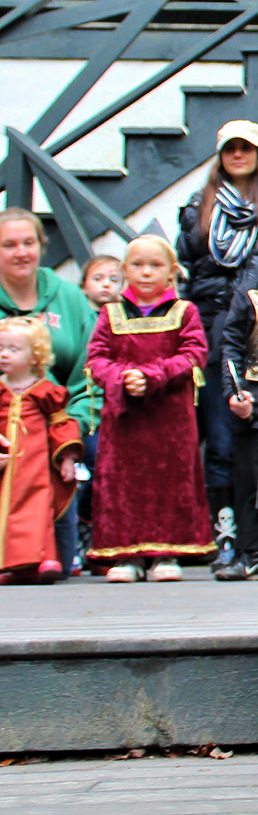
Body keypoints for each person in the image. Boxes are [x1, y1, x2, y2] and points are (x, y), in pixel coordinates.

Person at [177, 120, 258, 573]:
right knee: (222, 436)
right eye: (230, 149)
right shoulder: (199, 207)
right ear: (219, 155)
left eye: (247, 148)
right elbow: (188, 263)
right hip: (213, 322)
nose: (239, 155)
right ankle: (229, 535)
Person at [84, 235, 211, 582]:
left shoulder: (185, 311)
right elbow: (96, 359)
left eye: (155, 266)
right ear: (125, 270)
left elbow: (194, 354)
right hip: (124, 418)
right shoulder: (110, 314)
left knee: (170, 480)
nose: (145, 273)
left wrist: (153, 376)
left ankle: (166, 553)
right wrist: (123, 378)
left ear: (171, 272)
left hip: (170, 418)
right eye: (137, 265)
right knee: (123, 483)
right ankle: (127, 555)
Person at [0, 209, 100, 577]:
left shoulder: (69, 298)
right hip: (3, 417)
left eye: (28, 243)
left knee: (85, 450)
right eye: (8, 245)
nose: (20, 252)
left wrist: (76, 421)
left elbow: (89, 370)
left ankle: (81, 548)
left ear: (42, 246)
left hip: (63, 413)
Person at [216, 207, 258, 580]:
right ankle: (251, 551)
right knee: (251, 472)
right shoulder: (251, 284)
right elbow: (232, 341)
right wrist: (232, 392)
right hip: (255, 389)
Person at [0, 317, 82, 583]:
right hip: (5, 464)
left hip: (36, 466)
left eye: (13, 349)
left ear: (35, 355)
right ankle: (12, 563)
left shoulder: (45, 391)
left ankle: (46, 557)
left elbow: (62, 424)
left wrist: (67, 457)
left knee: (40, 509)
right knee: (6, 511)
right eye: (1, 348)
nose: (4, 354)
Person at [69, 254, 123, 571]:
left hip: (112, 411)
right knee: (87, 471)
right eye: (98, 278)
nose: (106, 285)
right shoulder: (78, 318)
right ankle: (82, 534)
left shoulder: (122, 318)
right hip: (83, 410)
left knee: (106, 473)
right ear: (83, 285)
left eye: (113, 279)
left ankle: (102, 542)